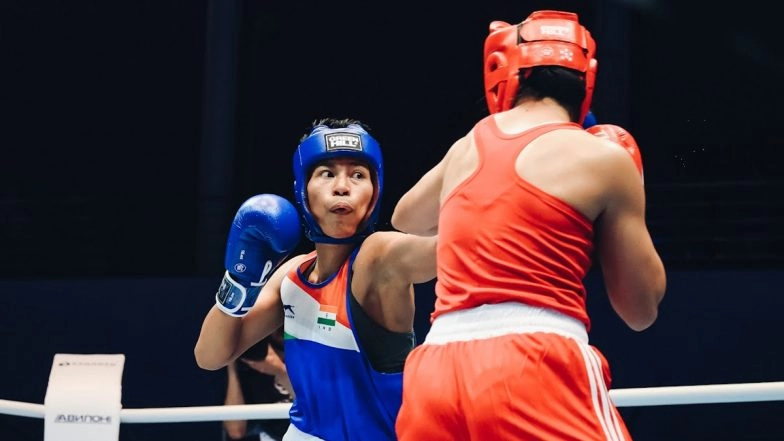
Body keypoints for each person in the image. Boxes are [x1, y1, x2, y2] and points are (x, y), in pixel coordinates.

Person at [391, 10, 666, 441]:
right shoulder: (605, 159)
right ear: (586, 81)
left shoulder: (471, 142)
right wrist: (631, 182)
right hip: (534, 360)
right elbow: (640, 310)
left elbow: (407, 218)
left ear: (504, 71)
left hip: (435, 367)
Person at [195, 117, 437, 441]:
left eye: (358, 174)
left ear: (375, 191)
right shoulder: (292, 276)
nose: (342, 186)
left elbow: (449, 248)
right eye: (327, 173)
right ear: (303, 188)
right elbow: (210, 356)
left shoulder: (377, 259)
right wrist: (239, 281)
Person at [222, 328, 293, 441]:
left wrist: (281, 371)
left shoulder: (309, 356)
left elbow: (318, 411)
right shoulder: (249, 368)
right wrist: (232, 366)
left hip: (313, 433)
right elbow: (236, 430)